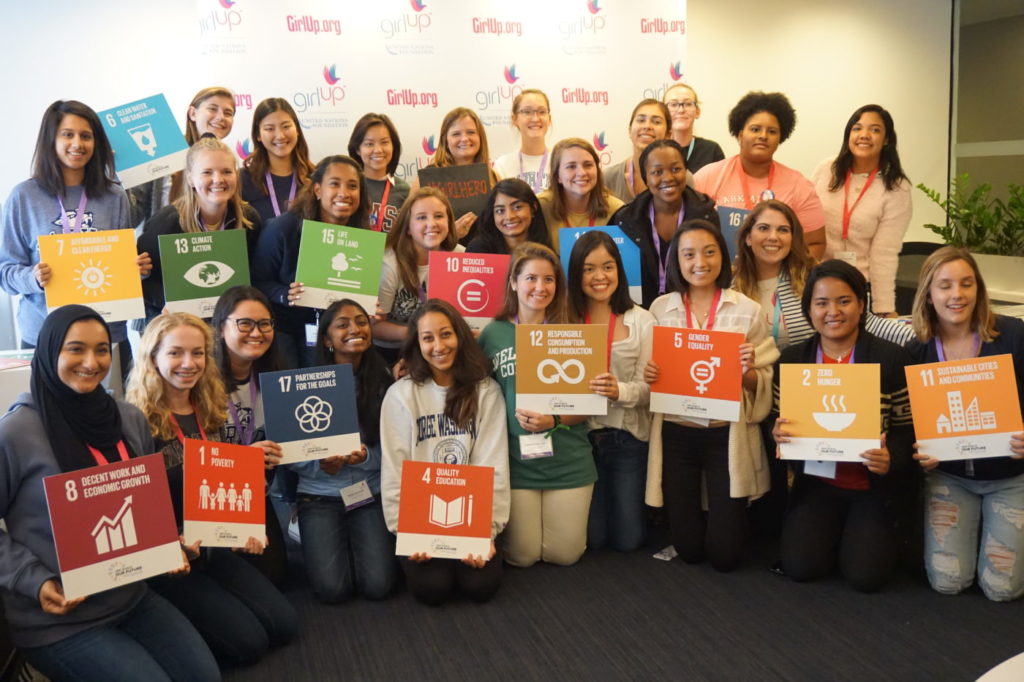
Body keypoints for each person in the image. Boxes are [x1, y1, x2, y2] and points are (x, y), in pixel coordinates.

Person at [0, 305, 219, 682]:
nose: (92, 361)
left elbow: (145, 501)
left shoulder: (127, 417)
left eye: (102, 349)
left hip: (131, 594)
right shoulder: (16, 433)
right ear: (49, 351)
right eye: (75, 349)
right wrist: (32, 580)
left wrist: (170, 543)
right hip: (62, 618)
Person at [731, 200, 914, 538]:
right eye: (764, 228)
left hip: (816, 386)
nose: (773, 237)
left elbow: (868, 322)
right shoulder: (732, 287)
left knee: (865, 572)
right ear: (747, 236)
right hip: (767, 392)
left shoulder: (811, 278)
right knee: (799, 557)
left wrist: (925, 333)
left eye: (783, 229)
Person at [126, 313, 297, 665]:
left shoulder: (209, 407)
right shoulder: (134, 421)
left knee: (284, 624)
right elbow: (135, 506)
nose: (189, 364)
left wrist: (240, 523)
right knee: (248, 644)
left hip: (212, 545)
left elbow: (217, 480)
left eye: (198, 352)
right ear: (152, 357)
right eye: (175, 353)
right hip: (172, 559)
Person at [772, 259, 916, 592]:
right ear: (809, 309)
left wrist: (891, 456)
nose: (832, 311)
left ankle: (858, 536)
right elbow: (776, 420)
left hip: (871, 488)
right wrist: (777, 433)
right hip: (818, 483)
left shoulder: (891, 359)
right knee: (800, 567)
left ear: (861, 304)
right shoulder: (793, 361)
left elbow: (910, 429)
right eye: (821, 303)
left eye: (844, 301)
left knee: (866, 577)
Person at [644, 220, 778, 572]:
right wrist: (650, 374)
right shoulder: (660, 309)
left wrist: (747, 371)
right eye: (688, 254)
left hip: (724, 435)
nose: (699, 262)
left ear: (723, 256)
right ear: (677, 261)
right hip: (677, 432)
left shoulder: (746, 309)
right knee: (688, 549)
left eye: (709, 252)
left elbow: (762, 381)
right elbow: (649, 372)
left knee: (725, 556)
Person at [906, 247, 1024, 601]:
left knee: (1001, 590)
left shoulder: (1014, 336)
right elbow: (910, 424)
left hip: (1010, 478)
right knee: (948, 583)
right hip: (949, 477)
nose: (957, 294)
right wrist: (918, 451)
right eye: (945, 286)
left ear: (979, 289)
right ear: (928, 294)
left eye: (966, 284)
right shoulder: (917, 352)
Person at [381, 299, 510, 604]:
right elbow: (394, 469)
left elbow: (494, 465)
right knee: (433, 589)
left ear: (460, 336)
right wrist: (405, 532)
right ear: (417, 344)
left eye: (446, 334)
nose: (438, 346)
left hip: (471, 515)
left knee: (479, 586)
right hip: (420, 519)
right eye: (428, 338)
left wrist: (487, 533)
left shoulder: (486, 391)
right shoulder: (400, 395)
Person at [478, 243, 596, 567]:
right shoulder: (493, 334)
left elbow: (592, 403)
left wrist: (555, 419)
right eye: (531, 278)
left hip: (568, 459)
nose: (540, 288)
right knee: (523, 556)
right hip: (515, 462)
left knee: (565, 555)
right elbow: (469, 387)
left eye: (549, 279)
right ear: (514, 282)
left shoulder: (572, 332)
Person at [0, 100, 145, 349]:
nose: (78, 144)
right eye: (68, 134)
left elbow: (120, 264)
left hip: (106, 334)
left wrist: (138, 269)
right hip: (46, 336)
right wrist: (33, 278)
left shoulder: (114, 195)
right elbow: (5, 272)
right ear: (51, 139)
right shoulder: (23, 196)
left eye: (86, 136)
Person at [290, 299, 399, 603]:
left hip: (369, 492)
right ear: (326, 339)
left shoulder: (386, 382)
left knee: (379, 586)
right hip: (319, 495)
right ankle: (304, 526)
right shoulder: (301, 383)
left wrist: (366, 458)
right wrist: (319, 464)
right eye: (342, 324)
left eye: (362, 322)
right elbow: (290, 454)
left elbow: (397, 446)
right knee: (332, 591)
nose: (355, 329)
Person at [567, 232, 655, 552]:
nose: (599, 277)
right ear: (576, 274)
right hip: (580, 437)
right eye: (588, 269)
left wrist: (621, 391)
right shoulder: (565, 320)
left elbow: (651, 390)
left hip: (625, 437)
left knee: (628, 541)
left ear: (619, 269)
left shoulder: (643, 320)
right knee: (594, 539)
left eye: (607, 267)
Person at [253, 155, 370, 369]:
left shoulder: (361, 236)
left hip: (329, 330)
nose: (344, 193)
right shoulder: (283, 229)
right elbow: (257, 281)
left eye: (352, 186)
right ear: (317, 190)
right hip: (284, 327)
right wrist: (283, 293)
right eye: (334, 184)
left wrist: (366, 302)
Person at [211, 286, 289, 585]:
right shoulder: (201, 383)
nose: (256, 333)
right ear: (221, 328)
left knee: (276, 578)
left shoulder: (278, 379)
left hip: (256, 494)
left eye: (265, 324)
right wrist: (244, 459)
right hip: (214, 496)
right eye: (245, 323)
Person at [138, 137, 261, 322]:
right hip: (176, 321)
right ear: (190, 178)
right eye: (207, 172)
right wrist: (169, 303)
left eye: (227, 171)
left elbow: (255, 274)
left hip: (229, 320)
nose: (218, 180)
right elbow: (147, 282)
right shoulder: (165, 223)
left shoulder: (249, 220)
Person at [694, 91, 826, 260]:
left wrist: (787, 279)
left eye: (772, 131)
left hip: (777, 283)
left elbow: (816, 244)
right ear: (740, 134)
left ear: (780, 138)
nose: (763, 136)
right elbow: (688, 235)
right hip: (721, 279)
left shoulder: (799, 185)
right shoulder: (708, 177)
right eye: (755, 129)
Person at [811, 105, 912, 316]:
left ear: (886, 140)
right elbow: (807, 227)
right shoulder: (826, 170)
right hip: (817, 282)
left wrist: (884, 307)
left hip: (859, 287)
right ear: (849, 134)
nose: (864, 135)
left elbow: (884, 253)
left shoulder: (896, 187)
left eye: (875, 130)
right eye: (857, 128)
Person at [612, 138, 720, 308]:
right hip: (640, 313)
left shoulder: (706, 215)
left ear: (686, 171)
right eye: (657, 172)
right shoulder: (625, 220)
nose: (668, 178)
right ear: (645, 177)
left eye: (676, 169)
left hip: (691, 312)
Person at [373, 187, 463, 362]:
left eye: (439, 216)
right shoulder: (389, 265)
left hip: (443, 348)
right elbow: (375, 326)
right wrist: (422, 333)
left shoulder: (461, 257)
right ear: (407, 228)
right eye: (421, 217)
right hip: (394, 350)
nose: (432, 223)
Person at [128, 86, 236, 225]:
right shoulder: (161, 154)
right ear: (192, 113)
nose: (221, 117)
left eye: (228, 113)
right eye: (212, 109)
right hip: (165, 241)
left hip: (215, 243)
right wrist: (120, 176)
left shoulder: (229, 160)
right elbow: (131, 218)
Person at [417, 107, 497, 240]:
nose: (464, 138)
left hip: (486, 256)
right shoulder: (427, 179)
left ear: (480, 137)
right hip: (443, 256)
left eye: (471, 132)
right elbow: (414, 229)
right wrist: (449, 234)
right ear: (445, 141)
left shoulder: (493, 177)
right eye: (456, 134)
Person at [537, 138, 624, 246]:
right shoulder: (540, 207)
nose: (581, 173)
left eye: (588, 165)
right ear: (557, 176)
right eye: (571, 166)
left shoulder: (617, 210)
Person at [241, 98, 315, 223]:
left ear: (297, 129)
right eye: (269, 129)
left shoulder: (315, 178)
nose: (280, 136)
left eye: (286, 126)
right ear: (258, 135)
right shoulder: (243, 180)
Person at [348, 112, 410, 233]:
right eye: (369, 144)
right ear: (357, 149)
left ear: (393, 146)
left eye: (384, 142)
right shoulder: (348, 187)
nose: (378, 150)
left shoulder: (405, 190)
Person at [604, 99, 671, 203]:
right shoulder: (609, 178)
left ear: (668, 134)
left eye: (656, 122)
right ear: (630, 130)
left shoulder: (681, 176)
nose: (647, 126)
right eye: (641, 120)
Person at [465, 178, 552, 254]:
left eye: (517, 207)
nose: (509, 216)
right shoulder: (477, 251)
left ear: (533, 208)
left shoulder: (545, 252)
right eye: (500, 211)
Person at [492, 89, 553, 194]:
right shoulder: (502, 166)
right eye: (527, 112)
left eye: (542, 112)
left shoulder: (561, 162)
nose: (535, 118)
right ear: (514, 119)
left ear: (549, 118)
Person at [662, 83, 724, 174]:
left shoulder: (711, 150)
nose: (681, 110)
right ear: (664, 112)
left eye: (688, 104)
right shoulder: (656, 152)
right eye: (674, 104)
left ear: (697, 112)